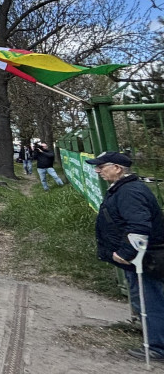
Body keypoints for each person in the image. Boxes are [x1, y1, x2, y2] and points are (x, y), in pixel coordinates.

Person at [89, 151, 164, 362]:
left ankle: (158, 346)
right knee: (145, 298)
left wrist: (126, 252)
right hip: (139, 257)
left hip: (144, 258)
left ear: (117, 168)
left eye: (101, 167)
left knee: (150, 301)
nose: (98, 171)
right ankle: (153, 338)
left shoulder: (130, 192)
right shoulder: (124, 188)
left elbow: (139, 225)